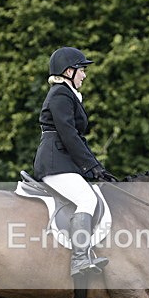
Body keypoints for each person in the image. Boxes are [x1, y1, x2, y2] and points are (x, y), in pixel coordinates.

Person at [33, 46, 117, 277]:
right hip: (54, 162)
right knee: (86, 198)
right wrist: (92, 167)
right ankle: (80, 259)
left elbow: (75, 138)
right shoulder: (60, 94)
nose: (84, 75)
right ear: (69, 71)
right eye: (82, 70)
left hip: (63, 161)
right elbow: (69, 134)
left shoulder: (68, 94)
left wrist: (96, 167)